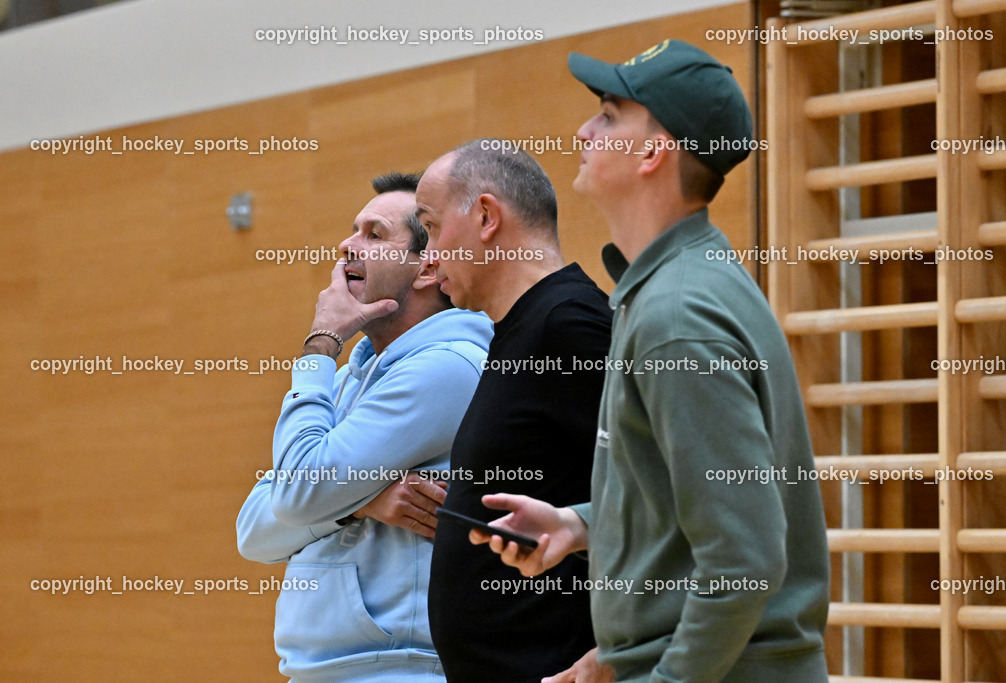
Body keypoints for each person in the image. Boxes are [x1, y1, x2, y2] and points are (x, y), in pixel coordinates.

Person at [472, 40, 831, 682]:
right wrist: (576, 524)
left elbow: (743, 559)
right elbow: (686, 503)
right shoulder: (671, 287)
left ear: (653, 152)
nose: (583, 130)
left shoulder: (676, 317)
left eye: (609, 115)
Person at [236, 172, 493, 682]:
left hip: (398, 669)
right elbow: (252, 532)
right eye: (354, 230)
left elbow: (296, 494)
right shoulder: (355, 373)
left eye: (374, 235)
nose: (347, 246)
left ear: (427, 268)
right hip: (326, 669)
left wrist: (320, 344)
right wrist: (358, 500)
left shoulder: (447, 366)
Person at [415, 142, 613, 683]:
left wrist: (623, 649)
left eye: (431, 228)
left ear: (484, 216)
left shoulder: (568, 325)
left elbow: (665, 498)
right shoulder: (518, 329)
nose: (428, 257)